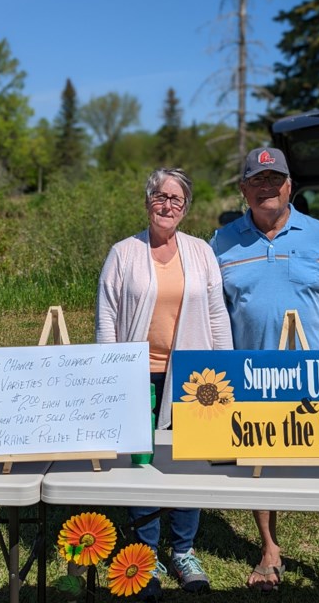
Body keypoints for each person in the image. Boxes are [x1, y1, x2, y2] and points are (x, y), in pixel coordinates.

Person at [210, 148, 319, 603]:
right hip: (252, 375)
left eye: (275, 178)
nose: (267, 187)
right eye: (256, 180)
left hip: (315, 373)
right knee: (259, 467)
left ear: (289, 186)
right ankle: (269, 548)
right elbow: (212, 310)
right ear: (243, 190)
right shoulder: (220, 242)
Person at [96, 167, 233, 601]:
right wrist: (110, 370)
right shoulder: (123, 253)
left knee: (187, 460)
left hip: (195, 377)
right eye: (160, 196)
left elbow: (216, 314)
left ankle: (184, 549)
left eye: (176, 199)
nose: (167, 205)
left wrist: (225, 367)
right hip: (138, 370)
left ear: (185, 207)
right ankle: (145, 551)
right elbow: (106, 317)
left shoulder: (201, 253)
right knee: (142, 460)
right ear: (147, 201)